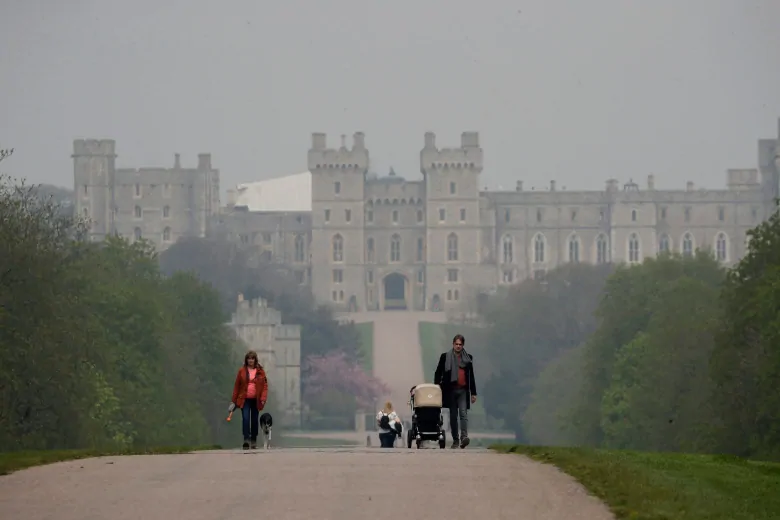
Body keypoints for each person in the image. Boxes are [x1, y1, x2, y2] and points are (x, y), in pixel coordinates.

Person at [434, 334, 477, 449]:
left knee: (463, 414)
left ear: (463, 346)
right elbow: (438, 373)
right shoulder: (445, 357)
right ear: (453, 344)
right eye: (456, 344)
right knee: (453, 416)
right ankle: (455, 440)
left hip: (463, 390)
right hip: (450, 390)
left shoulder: (468, 358)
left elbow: (471, 376)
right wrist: (437, 385)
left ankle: (464, 437)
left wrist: (473, 393)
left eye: (460, 344)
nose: (458, 346)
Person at [230, 350, 269, 450]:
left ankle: (253, 439)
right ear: (246, 360)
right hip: (244, 399)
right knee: (246, 419)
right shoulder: (241, 371)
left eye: (252, 358)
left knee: (254, 420)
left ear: (255, 360)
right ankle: (246, 439)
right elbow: (236, 387)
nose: (250, 360)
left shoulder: (261, 372)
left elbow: (264, 386)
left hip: (256, 400)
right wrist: (233, 401)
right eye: (249, 358)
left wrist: (263, 398)